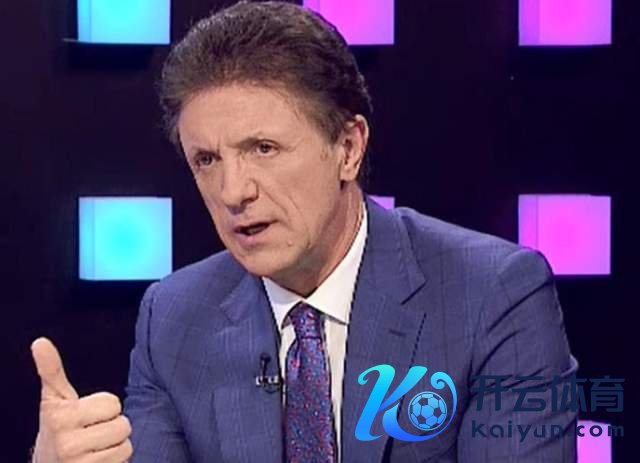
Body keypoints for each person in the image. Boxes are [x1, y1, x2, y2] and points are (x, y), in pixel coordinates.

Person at [31, 1, 578, 462]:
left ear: (348, 148)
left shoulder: (492, 295)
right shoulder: (173, 317)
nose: (233, 191)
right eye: (207, 160)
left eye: (263, 149)